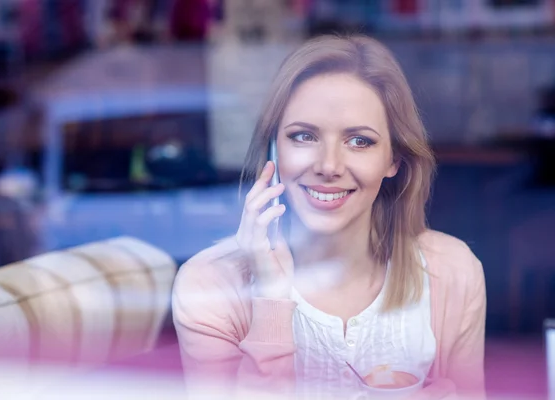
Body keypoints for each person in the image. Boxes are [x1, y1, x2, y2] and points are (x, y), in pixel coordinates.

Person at [172, 34, 486, 400]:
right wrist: (270, 298)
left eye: (359, 141)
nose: (328, 166)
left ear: (394, 160)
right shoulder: (208, 286)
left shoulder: (452, 271)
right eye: (304, 136)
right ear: (273, 149)